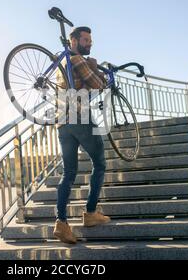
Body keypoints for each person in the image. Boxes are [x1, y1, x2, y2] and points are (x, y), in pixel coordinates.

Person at [53, 26, 110, 245]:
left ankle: (62, 223)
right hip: (80, 117)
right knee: (100, 163)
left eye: (90, 40)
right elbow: (97, 85)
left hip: (62, 122)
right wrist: (95, 69)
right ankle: (91, 213)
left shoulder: (63, 63)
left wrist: (91, 71)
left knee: (68, 173)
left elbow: (84, 85)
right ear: (74, 41)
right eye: (86, 40)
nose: (90, 43)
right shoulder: (76, 59)